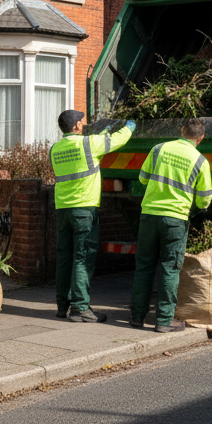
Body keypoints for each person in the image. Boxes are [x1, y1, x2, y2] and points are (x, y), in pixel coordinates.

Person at [50, 109, 134, 323]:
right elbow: (117, 140)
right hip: (84, 209)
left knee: (65, 257)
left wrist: (102, 134)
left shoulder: (55, 148)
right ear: (77, 126)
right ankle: (80, 307)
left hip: (63, 209)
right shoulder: (88, 144)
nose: (84, 124)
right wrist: (129, 127)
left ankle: (63, 305)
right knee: (82, 256)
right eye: (82, 122)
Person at [129, 118, 212, 332]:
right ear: (200, 138)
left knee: (144, 267)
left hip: (148, 215)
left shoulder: (159, 149)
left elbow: (142, 179)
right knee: (169, 269)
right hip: (175, 220)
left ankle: (137, 317)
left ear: (181, 131)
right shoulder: (200, 161)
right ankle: (164, 321)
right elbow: (204, 199)